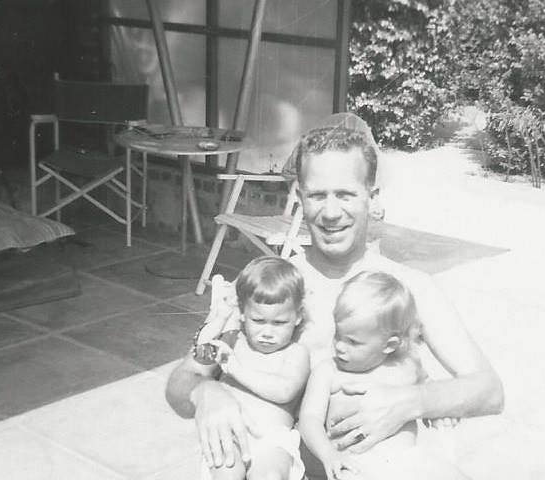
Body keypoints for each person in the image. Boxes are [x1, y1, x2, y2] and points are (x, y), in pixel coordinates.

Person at [166, 115, 504, 479]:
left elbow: (489, 390)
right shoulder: (271, 288)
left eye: (345, 194)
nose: (330, 212)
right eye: (317, 195)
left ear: (371, 198)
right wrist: (204, 394)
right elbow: (181, 383)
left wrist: (413, 401)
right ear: (299, 198)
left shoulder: (408, 288)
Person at [299, 270, 467, 480]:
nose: (340, 346)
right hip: (354, 465)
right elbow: (309, 418)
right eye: (338, 335)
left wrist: (438, 414)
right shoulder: (328, 372)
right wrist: (329, 455)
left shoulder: (407, 366)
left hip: (407, 462)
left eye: (353, 342)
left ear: (390, 345)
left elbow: (427, 392)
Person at [192, 256, 310, 480]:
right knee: (226, 474)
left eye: (279, 323)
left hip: (273, 441)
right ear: (244, 313)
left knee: (271, 476)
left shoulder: (296, 353)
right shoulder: (235, 340)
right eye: (258, 320)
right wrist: (223, 315)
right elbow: (201, 347)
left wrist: (235, 369)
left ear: (297, 317)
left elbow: (285, 391)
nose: (267, 332)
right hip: (229, 435)